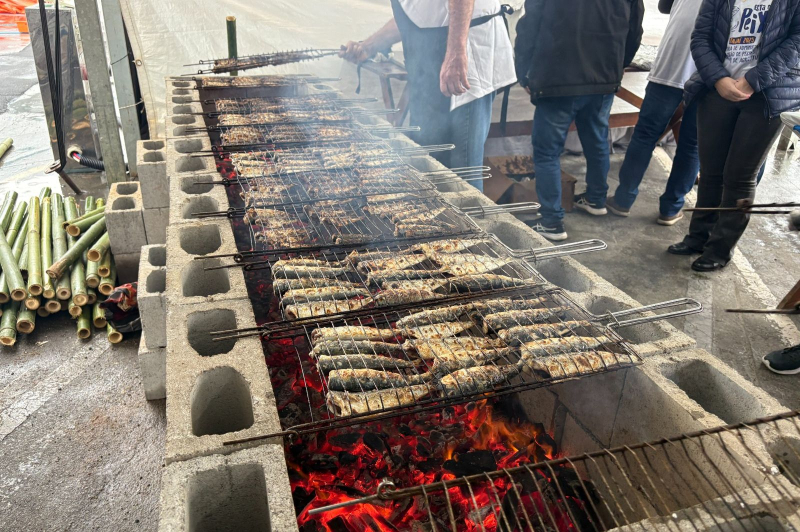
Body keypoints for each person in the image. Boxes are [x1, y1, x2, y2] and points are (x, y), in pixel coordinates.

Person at [668, 0, 800, 272]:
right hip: (718, 90)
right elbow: (701, 37)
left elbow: (797, 42)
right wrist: (718, 78)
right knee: (711, 172)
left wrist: (753, 79)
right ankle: (697, 238)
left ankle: (719, 250)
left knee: (740, 177)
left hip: (766, 95)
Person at [340, 0, 516, 193]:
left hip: (466, 59)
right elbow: (414, 12)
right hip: (429, 67)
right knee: (430, 161)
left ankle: (468, 212)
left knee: (463, 170)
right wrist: (368, 46)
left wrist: (456, 54)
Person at [514, 0, 644, 241]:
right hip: (603, 77)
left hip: (557, 79)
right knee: (596, 140)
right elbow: (635, 29)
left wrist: (523, 72)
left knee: (547, 151)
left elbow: (529, 25)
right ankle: (596, 199)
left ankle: (552, 221)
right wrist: (617, 66)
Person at [606, 0, 703, 226]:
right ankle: (671, 208)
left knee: (644, 135)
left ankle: (622, 200)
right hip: (706, 73)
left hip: (671, 65)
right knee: (692, 144)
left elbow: (664, 6)